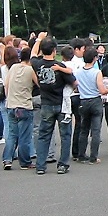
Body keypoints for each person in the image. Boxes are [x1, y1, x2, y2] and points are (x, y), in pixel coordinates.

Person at [32, 35, 75, 174]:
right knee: (65, 135)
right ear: (55, 50)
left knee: (44, 135)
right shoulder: (60, 66)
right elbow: (74, 82)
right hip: (62, 104)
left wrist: (38, 40)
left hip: (46, 103)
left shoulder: (37, 64)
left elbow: (32, 54)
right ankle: (63, 164)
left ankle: (40, 165)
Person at [3, 47, 38, 170]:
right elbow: (38, 83)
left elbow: (6, 85)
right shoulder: (29, 70)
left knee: (12, 135)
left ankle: (7, 159)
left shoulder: (13, 67)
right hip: (24, 105)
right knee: (24, 136)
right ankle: (25, 162)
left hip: (11, 105)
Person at [74, 46, 108, 165]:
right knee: (95, 130)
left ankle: (81, 155)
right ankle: (93, 157)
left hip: (83, 100)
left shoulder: (78, 72)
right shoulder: (97, 72)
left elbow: (76, 87)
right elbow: (101, 90)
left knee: (83, 129)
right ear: (95, 58)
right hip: (95, 100)